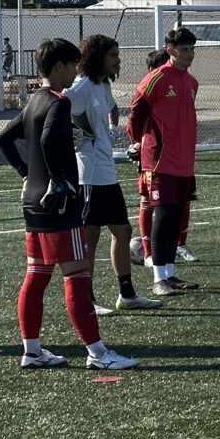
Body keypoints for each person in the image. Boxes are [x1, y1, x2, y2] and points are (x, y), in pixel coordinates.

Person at [0, 38, 137, 370]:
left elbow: (3, 139)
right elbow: (47, 140)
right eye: (73, 65)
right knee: (77, 275)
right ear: (59, 66)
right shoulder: (58, 103)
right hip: (59, 204)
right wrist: (58, 178)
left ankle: (32, 350)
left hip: (33, 202)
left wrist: (27, 173)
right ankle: (98, 354)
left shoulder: (34, 100)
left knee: (36, 275)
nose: (76, 71)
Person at [66, 35, 161, 313]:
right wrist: (74, 136)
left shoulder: (101, 84)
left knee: (122, 230)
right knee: (90, 236)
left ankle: (126, 294)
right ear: (97, 57)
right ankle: (86, 299)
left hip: (106, 171)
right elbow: (56, 106)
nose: (118, 60)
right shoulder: (81, 87)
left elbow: (113, 108)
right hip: (88, 173)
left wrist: (111, 131)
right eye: (113, 55)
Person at [129, 27, 200, 296]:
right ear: (171, 51)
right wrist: (139, 143)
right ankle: (159, 279)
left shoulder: (192, 82)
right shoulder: (155, 79)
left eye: (192, 49)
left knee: (175, 216)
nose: (190, 54)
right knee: (164, 213)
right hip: (159, 160)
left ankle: (169, 274)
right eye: (184, 49)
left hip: (184, 159)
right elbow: (135, 115)